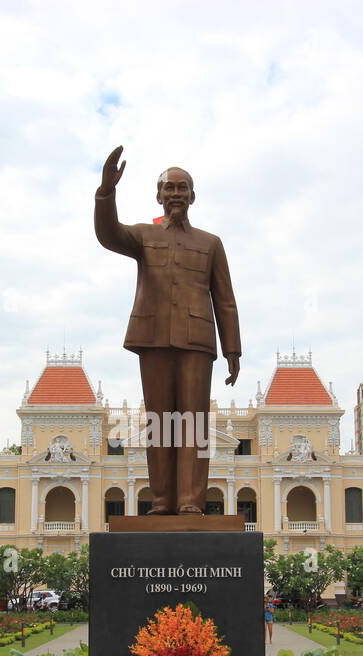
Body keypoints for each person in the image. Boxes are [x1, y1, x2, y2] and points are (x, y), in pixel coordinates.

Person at [95, 146, 242, 514]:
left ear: (192, 196)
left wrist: (233, 350)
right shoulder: (143, 236)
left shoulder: (210, 243)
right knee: (159, 421)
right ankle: (162, 499)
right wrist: (106, 192)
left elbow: (225, 299)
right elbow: (108, 234)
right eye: (169, 188)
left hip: (197, 340)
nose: (176, 194)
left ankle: (192, 501)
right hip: (154, 336)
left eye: (182, 188)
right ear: (159, 196)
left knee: (194, 421)